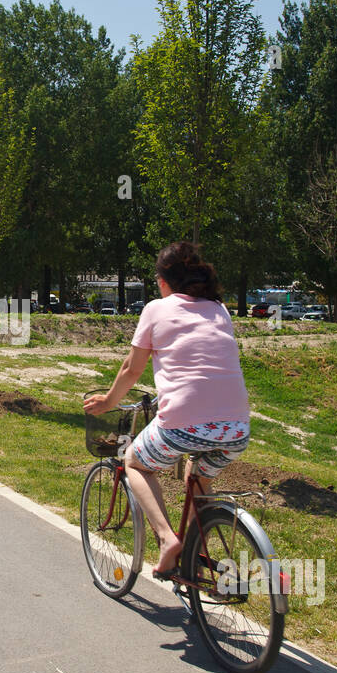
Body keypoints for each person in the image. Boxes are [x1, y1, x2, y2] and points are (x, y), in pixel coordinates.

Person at [83, 241, 250, 579]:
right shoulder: (220, 310)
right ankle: (195, 553)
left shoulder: (156, 310)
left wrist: (108, 402)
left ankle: (166, 540)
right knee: (198, 476)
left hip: (184, 423)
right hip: (236, 428)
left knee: (135, 462)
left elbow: (132, 368)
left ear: (162, 280)